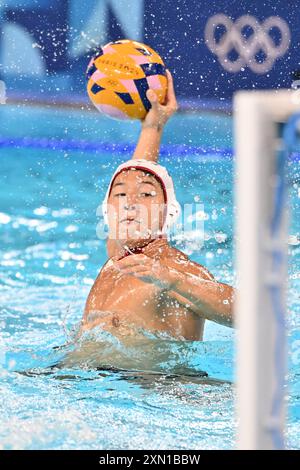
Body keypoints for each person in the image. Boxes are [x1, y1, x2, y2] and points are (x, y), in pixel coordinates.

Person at [81, 70, 234, 340]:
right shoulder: (118, 254)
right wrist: (153, 126)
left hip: (154, 381)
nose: (131, 204)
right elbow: (136, 178)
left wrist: (172, 280)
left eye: (147, 197)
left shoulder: (173, 269)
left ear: (168, 213)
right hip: (84, 374)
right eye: (120, 196)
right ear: (108, 211)